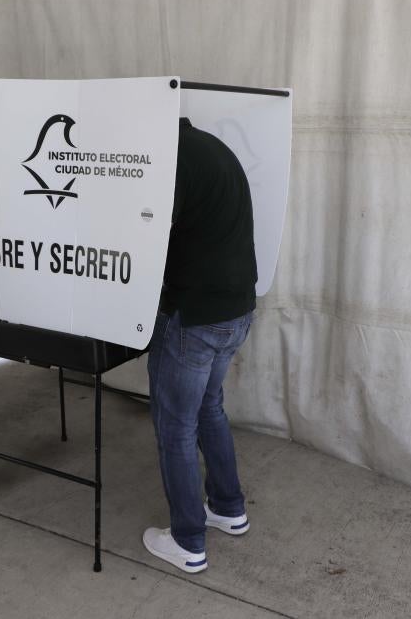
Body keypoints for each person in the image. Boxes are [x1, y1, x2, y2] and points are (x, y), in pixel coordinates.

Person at [142, 117, 257, 574]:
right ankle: (228, 508)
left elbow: (151, 230)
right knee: (209, 408)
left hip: (196, 317)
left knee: (176, 428)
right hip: (237, 311)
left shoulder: (172, 160)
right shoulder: (212, 149)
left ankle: (188, 540)